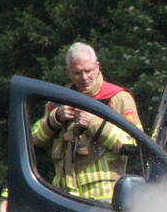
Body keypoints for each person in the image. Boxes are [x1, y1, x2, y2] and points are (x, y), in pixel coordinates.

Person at [31, 42, 142, 202]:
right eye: (77, 73)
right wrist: (54, 119)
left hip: (103, 202)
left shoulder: (117, 98)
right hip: (63, 199)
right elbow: (33, 142)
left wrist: (95, 125)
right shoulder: (57, 101)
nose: (84, 78)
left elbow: (135, 145)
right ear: (68, 71)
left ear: (98, 66)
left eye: (88, 71)